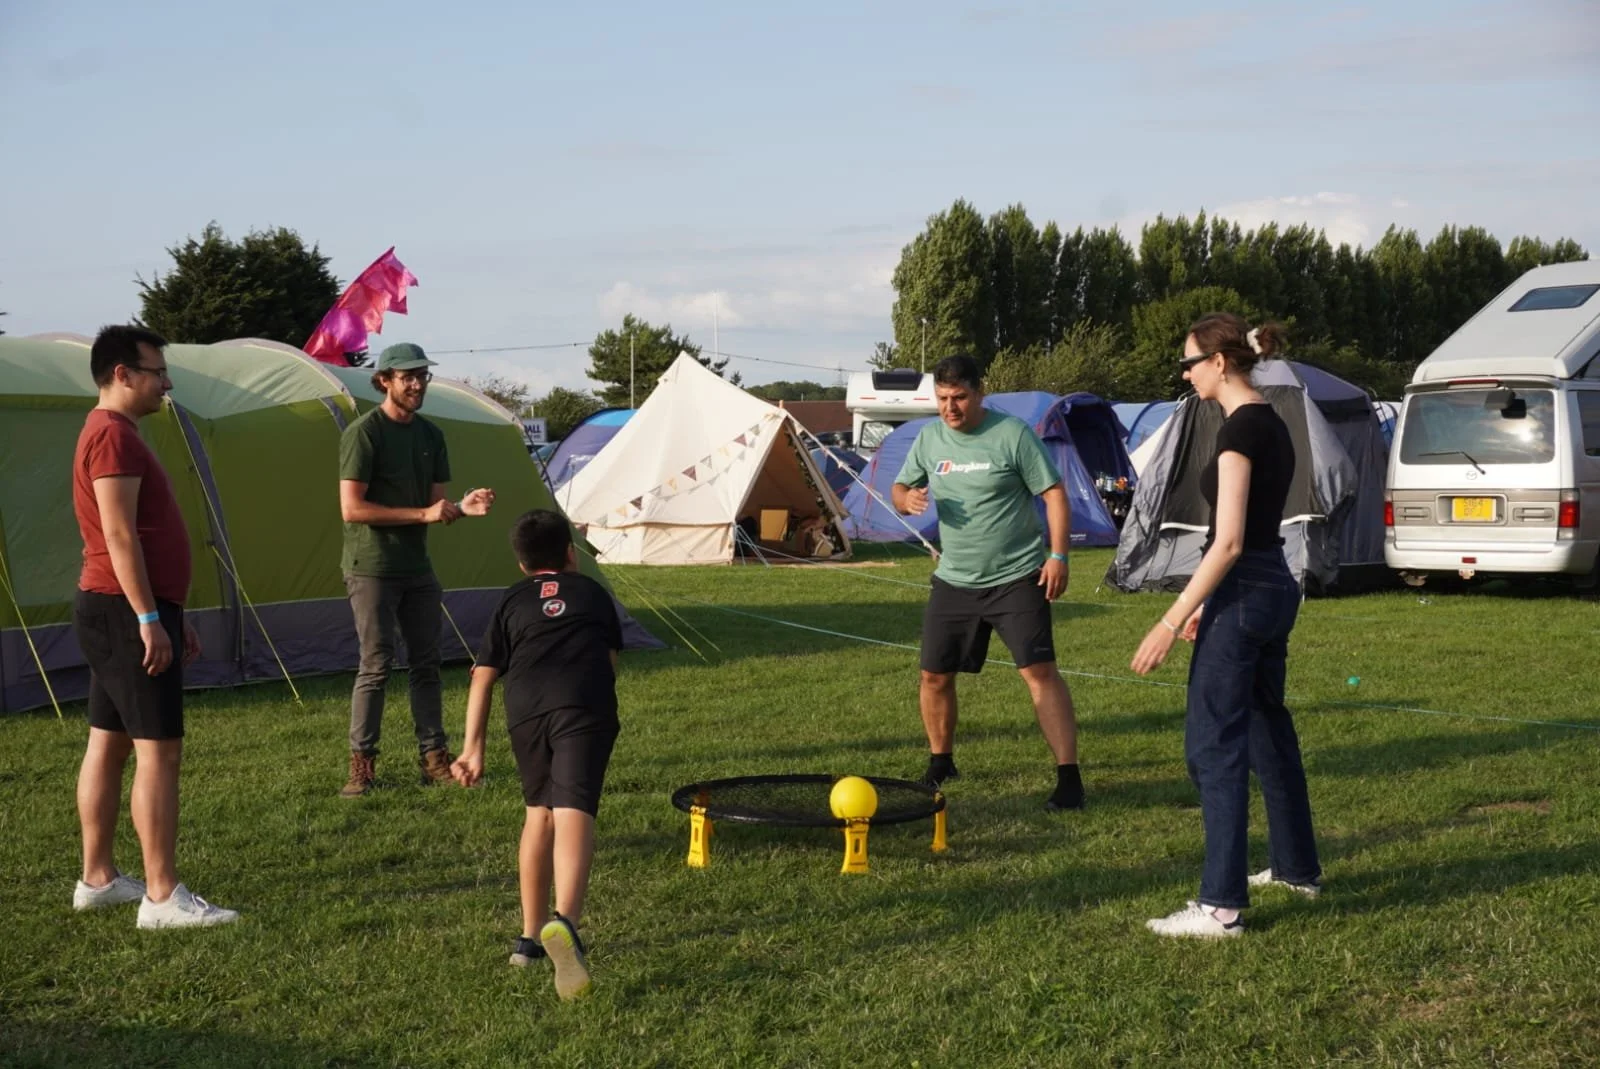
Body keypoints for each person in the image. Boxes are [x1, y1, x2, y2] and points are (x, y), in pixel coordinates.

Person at [1132, 315, 1322, 939]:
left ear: (1218, 362)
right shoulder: (1272, 420)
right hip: (1270, 589)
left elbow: (1231, 540)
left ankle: (1221, 908)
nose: (1185, 375)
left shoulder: (1240, 430)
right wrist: (1205, 607)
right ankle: (1296, 870)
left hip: (1247, 589)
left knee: (1213, 748)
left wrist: (1170, 619)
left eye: (1188, 363)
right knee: (1268, 731)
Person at [70, 325, 239, 928]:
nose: (166, 384)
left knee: (108, 742)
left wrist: (170, 612)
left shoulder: (112, 433)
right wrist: (148, 617)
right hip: (124, 611)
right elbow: (119, 535)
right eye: (157, 372)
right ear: (122, 374)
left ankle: (98, 879)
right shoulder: (112, 437)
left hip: (120, 609)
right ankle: (163, 897)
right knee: (159, 752)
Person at [892, 355, 1083, 810]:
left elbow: (1054, 493)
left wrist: (1058, 556)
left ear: (980, 392)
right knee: (933, 675)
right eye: (942, 398)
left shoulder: (1012, 434)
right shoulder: (929, 438)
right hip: (954, 580)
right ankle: (941, 762)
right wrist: (907, 499)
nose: (950, 407)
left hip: (1017, 577)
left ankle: (1069, 778)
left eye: (959, 397)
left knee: (1038, 673)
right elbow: (899, 490)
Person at [451, 509, 624, 1001]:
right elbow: (610, 660)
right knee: (574, 809)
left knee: (539, 813)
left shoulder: (512, 598)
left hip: (525, 709)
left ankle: (528, 939)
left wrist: (472, 749)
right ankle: (566, 923)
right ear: (571, 553)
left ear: (522, 564)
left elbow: (483, 675)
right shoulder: (592, 592)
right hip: (582, 703)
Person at [338, 342, 495, 797]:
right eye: (407, 377)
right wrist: (424, 514)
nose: (417, 384)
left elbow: (434, 508)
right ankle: (362, 767)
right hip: (371, 566)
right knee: (376, 666)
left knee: (427, 664)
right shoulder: (364, 433)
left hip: (417, 568)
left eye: (422, 376)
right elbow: (352, 509)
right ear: (384, 380)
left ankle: (434, 759)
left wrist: (461, 507)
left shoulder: (431, 435)